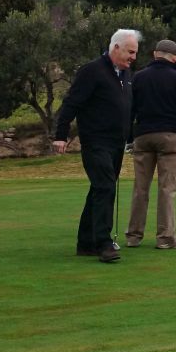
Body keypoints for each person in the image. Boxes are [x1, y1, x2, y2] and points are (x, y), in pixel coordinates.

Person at [54, 29, 139, 263]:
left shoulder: (126, 74)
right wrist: (60, 135)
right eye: (130, 52)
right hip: (96, 141)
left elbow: (126, 107)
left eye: (135, 53)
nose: (133, 57)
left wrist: (130, 137)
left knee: (98, 189)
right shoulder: (92, 71)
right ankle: (103, 243)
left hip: (116, 143)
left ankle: (86, 243)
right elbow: (71, 103)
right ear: (116, 48)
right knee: (105, 187)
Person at [126, 39, 176, 250]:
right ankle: (165, 238)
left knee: (140, 188)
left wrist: (128, 137)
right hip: (169, 137)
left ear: (155, 54)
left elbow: (130, 109)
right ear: (175, 58)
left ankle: (133, 237)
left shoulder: (139, 77)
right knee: (167, 188)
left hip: (143, 136)